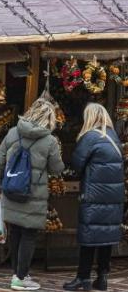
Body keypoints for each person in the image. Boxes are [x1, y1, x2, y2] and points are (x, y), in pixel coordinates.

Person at [0, 99, 64, 292]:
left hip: (11, 191)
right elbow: (57, 169)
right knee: (29, 236)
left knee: (16, 233)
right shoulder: (50, 141)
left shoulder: (13, 133)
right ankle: (20, 278)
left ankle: (18, 273)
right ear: (49, 119)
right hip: (33, 195)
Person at [63, 103, 124, 291]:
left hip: (93, 195)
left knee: (89, 237)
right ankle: (102, 277)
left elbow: (77, 164)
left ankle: (83, 278)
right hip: (113, 198)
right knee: (105, 236)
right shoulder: (113, 137)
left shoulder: (90, 137)